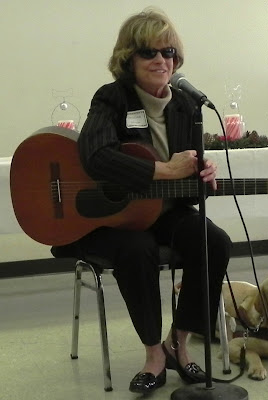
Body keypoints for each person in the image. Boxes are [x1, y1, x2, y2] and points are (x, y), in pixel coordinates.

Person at [53, 7, 232, 395]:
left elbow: (186, 183)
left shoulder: (187, 105)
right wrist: (163, 170)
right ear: (128, 59)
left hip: (165, 211)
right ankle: (153, 354)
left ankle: (178, 344)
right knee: (138, 249)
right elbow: (96, 156)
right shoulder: (112, 98)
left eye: (167, 53)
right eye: (149, 53)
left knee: (213, 240)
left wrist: (202, 176)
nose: (160, 61)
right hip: (107, 219)